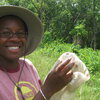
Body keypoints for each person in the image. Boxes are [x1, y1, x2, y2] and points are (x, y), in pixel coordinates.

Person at [0, 5, 74, 100]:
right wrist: (48, 89)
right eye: (6, 33)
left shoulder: (28, 66)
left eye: (20, 33)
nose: (15, 38)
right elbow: (45, 93)